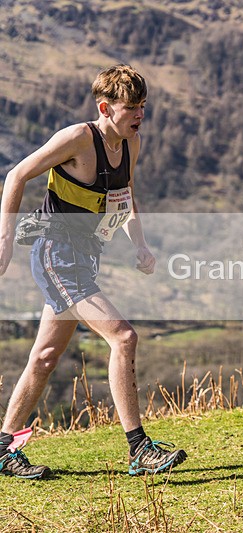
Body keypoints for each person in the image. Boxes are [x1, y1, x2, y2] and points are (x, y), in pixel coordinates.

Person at [0, 65, 187, 479]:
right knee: (124, 336)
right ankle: (139, 449)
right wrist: (5, 242)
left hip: (84, 256)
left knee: (45, 357)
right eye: (130, 108)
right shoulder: (78, 139)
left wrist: (140, 243)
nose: (139, 115)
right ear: (105, 107)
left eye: (142, 106)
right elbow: (16, 175)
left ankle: (3, 447)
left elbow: (126, 196)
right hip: (56, 253)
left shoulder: (131, 143)